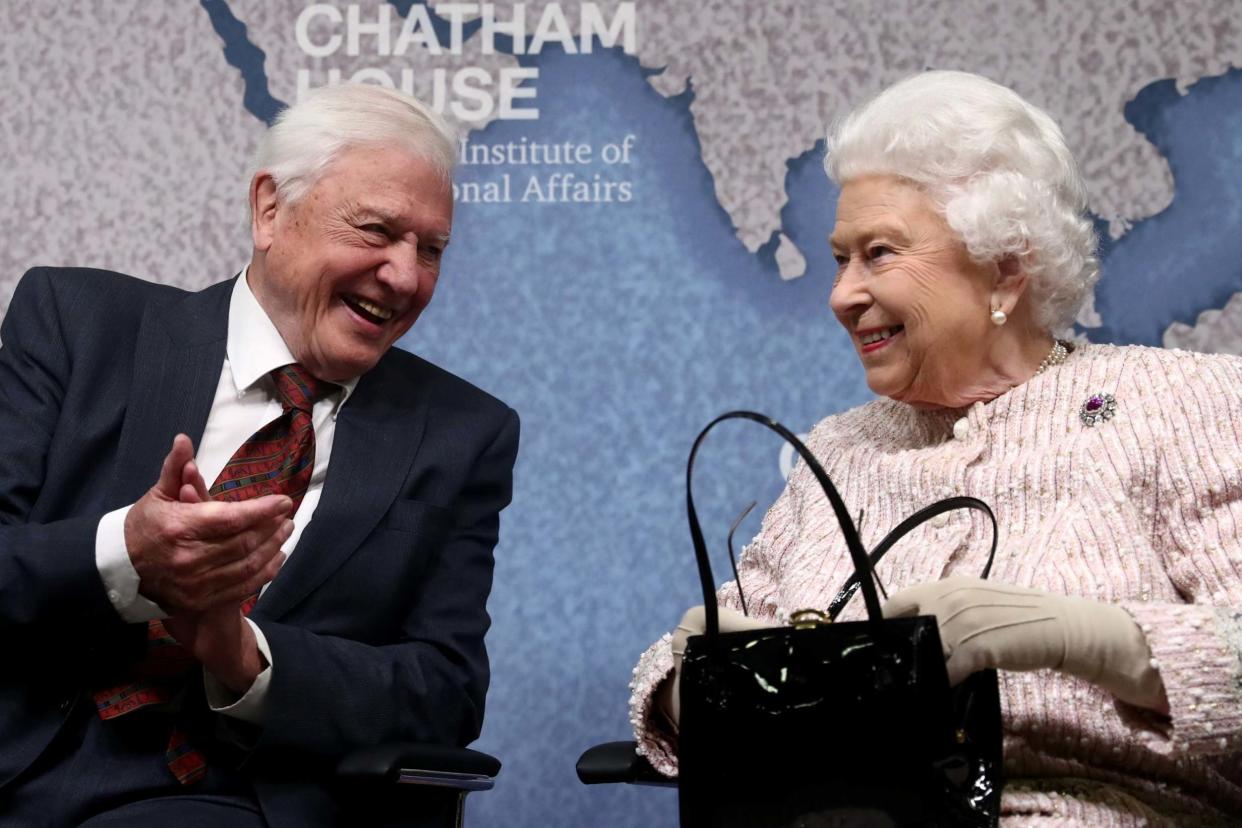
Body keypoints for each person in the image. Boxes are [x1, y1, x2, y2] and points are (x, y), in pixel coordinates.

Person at [629, 71, 1242, 824]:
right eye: (838, 258)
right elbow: (688, 654)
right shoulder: (841, 451)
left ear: (1005, 271)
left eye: (879, 253)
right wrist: (687, 683)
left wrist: (1081, 637)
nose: (842, 294)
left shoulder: (1182, 404)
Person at [0, 83, 519, 827]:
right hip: (26, 757)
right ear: (270, 210)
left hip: (231, 792)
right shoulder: (77, 326)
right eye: (376, 230)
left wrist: (243, 653)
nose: (406, 276)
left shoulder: (462, 433)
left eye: (430, 249)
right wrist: (128, 553)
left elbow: (446, 689)